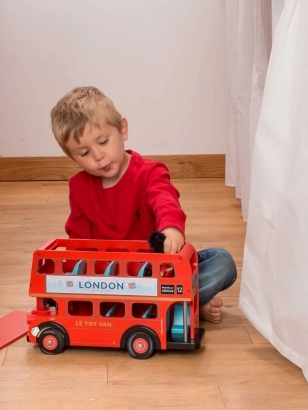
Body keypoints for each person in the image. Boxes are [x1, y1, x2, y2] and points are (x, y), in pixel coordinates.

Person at [50, 86, 237, 323]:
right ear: (72, 157)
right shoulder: (79, 187)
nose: (98, 156)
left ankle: (174, 305)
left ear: (123, 129)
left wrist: (171, 228)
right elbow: (78, 241)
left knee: (222, 260)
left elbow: (165, 200)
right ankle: (182, 307)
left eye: (103, 142)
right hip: (114, 282)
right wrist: (70, 278)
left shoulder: (150, 172)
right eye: (84, 153)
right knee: (71, 286)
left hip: (160, 273)